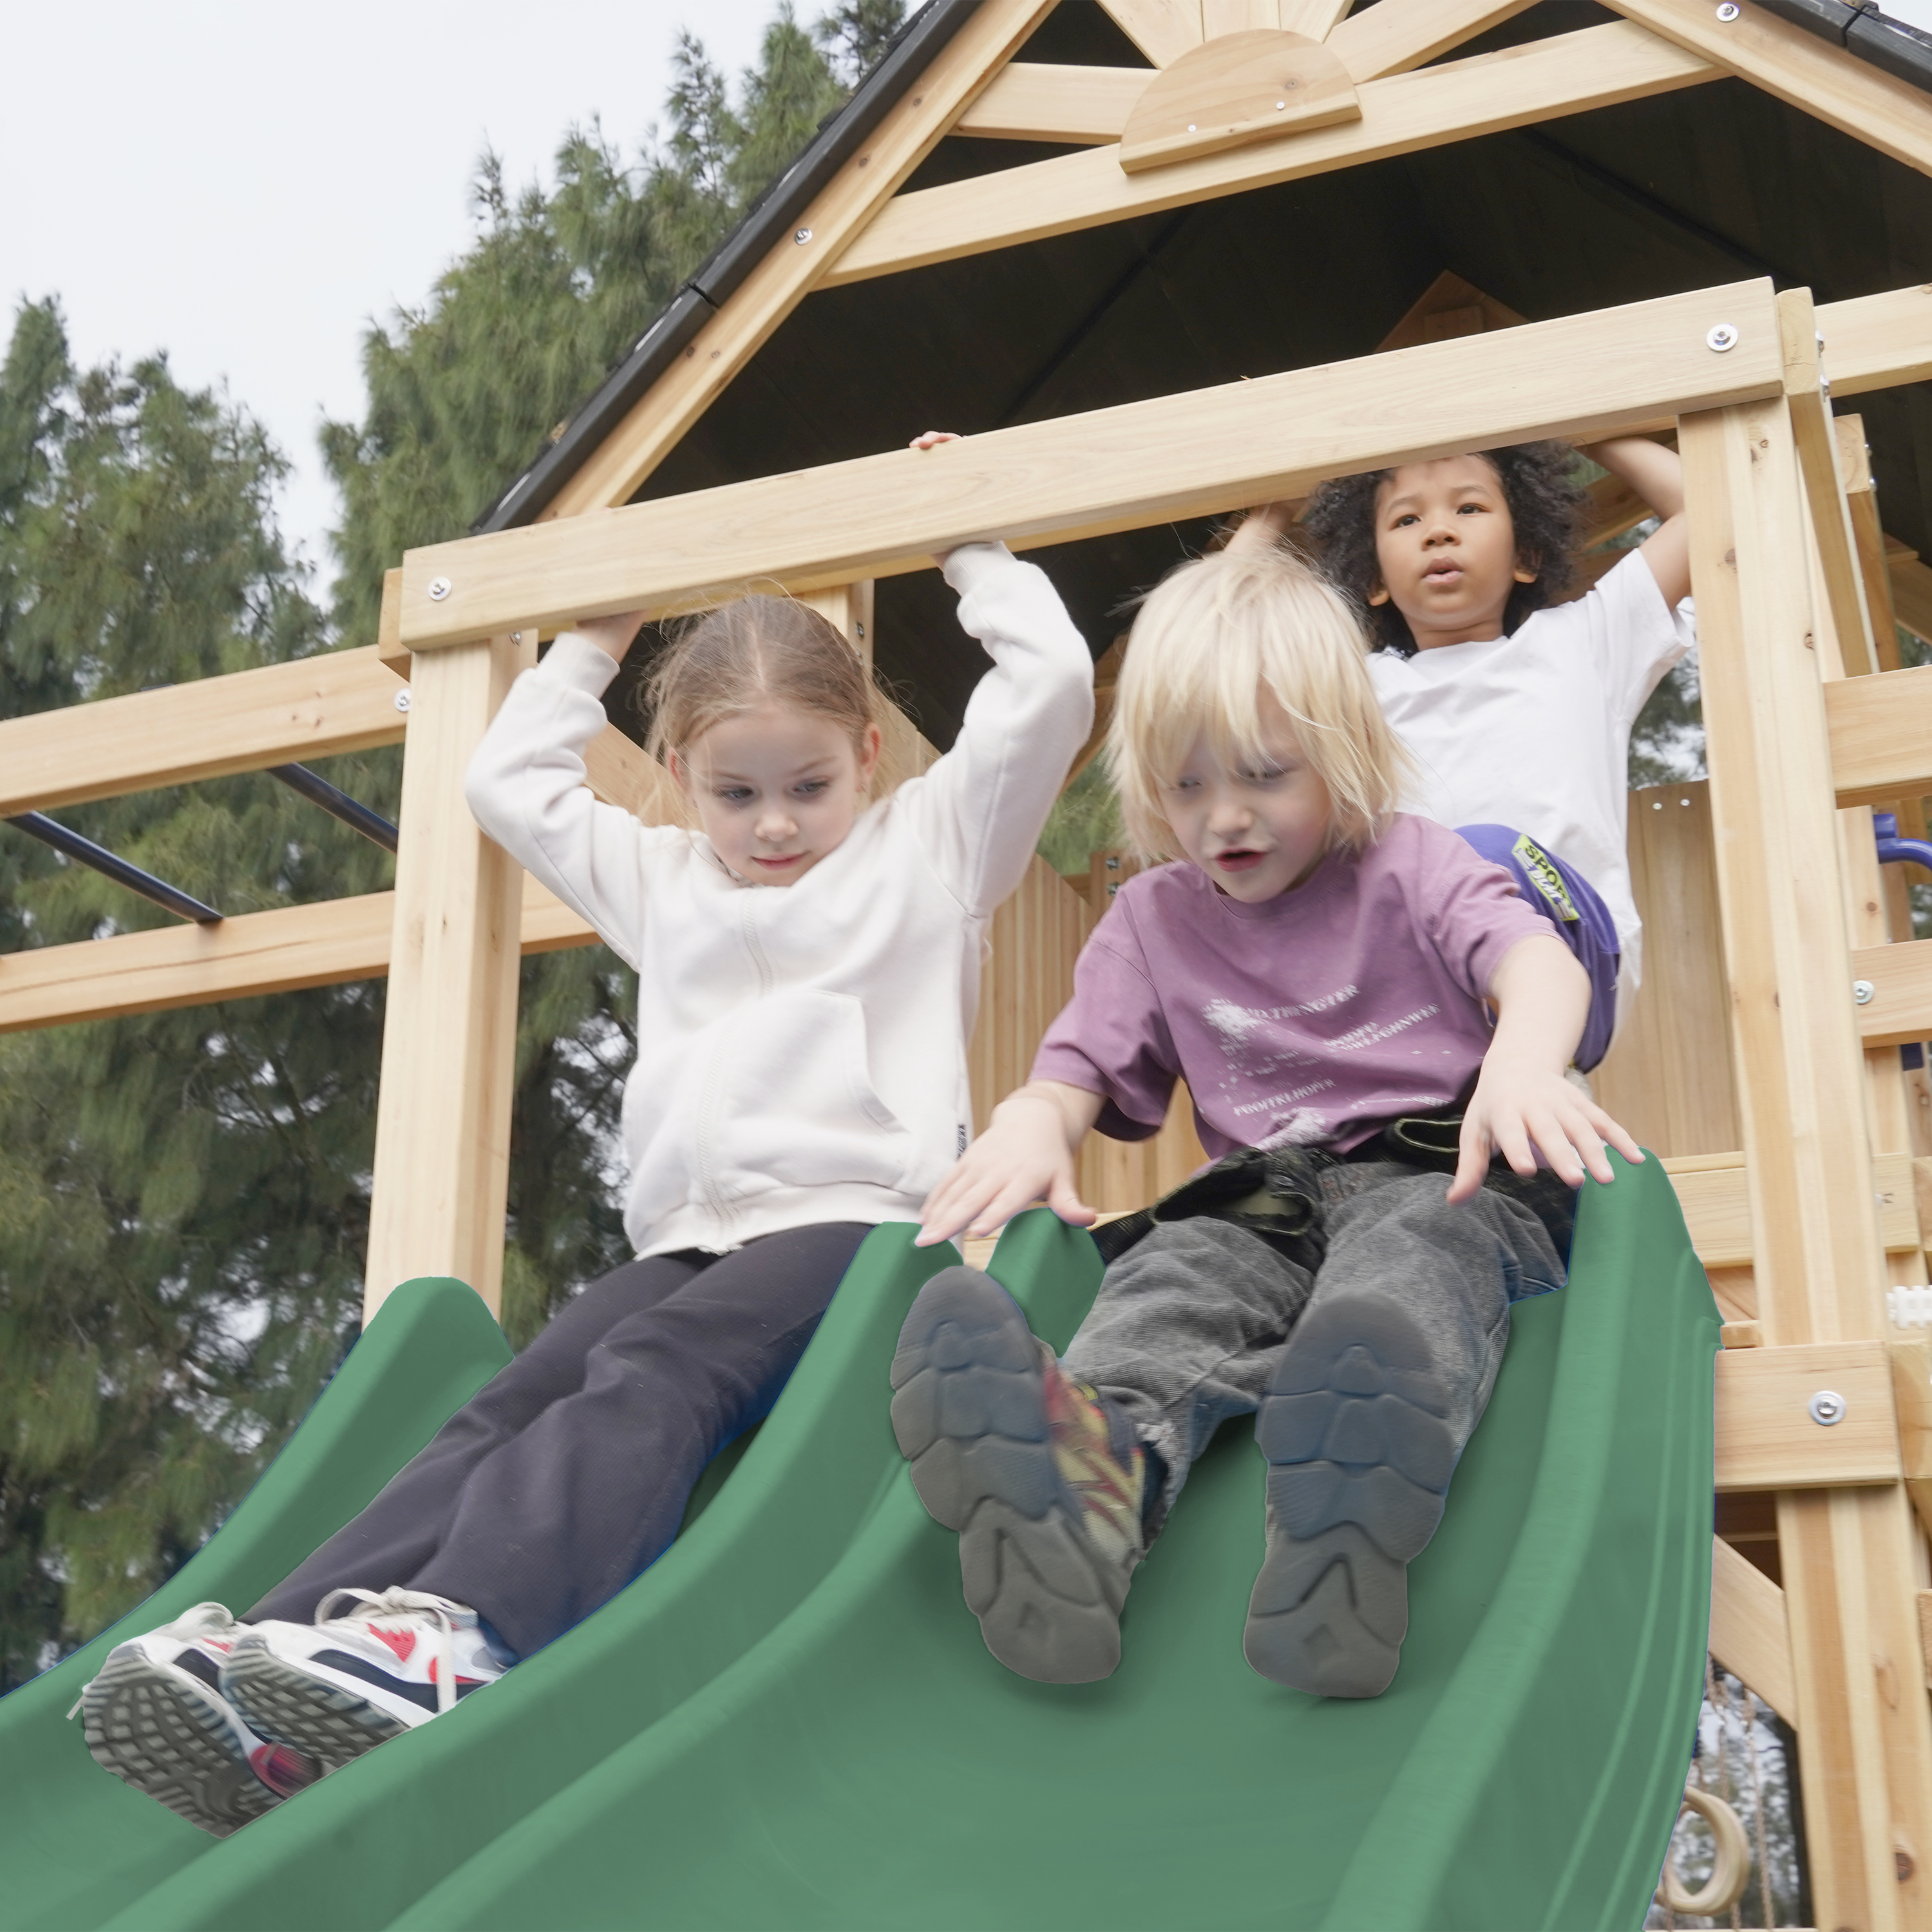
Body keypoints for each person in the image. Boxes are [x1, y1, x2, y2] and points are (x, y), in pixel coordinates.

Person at [77, 500, 1095, 1835]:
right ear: (677, 772)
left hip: (857, 1233)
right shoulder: (665, 881)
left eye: (809, 787)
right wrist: (594, 638)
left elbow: (1052, 685)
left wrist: (964, 541)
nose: (774, 824)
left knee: (655, 1369)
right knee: (512, 1401)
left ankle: (471, 1629)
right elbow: (507, 781)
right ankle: (278, 1655)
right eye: (735, 793)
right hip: (686, 1241)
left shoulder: (935, 849)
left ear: (866, 754)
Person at [891, 545, 1641, 1698]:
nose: (1224, 817)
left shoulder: (1412, 862)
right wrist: (1036, 1118)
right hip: (1261, 1199)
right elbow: (1080, 1062)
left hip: (1440, 1166)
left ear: (1343, 754)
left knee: (1409, 1268)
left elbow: (1535, 961)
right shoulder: (1153, 917)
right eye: (1187, 786)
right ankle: (1089, 1494)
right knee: (1169, 1280)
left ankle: (1344, 1509)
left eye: (1264, 775)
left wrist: (1524, 1066)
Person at [1229, 438, 1693, 1067]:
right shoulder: (1355, 690)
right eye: (1407, 519)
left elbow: (1706, 510)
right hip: (1415, 984)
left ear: (1526, 556)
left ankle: (1521, 1061)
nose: (1438, 532)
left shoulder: (1586, 643)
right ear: (1374, 580)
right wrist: (1273, 512)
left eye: (1469, 509)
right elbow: (1210, 635)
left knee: (1479, 856)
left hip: (1570, 962)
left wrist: (1586, 426)